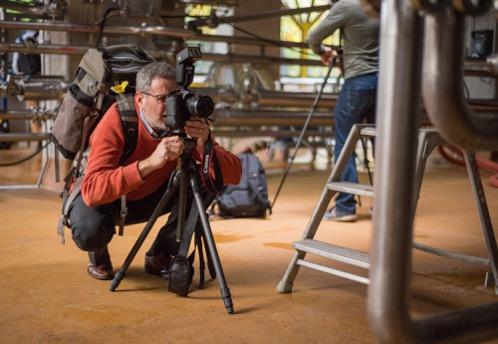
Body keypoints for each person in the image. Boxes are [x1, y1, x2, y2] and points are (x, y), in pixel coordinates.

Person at [67, 62, 242, 280]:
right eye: (162, 100)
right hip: (109, 201)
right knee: (89, 231)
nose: (170, 107)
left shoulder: (182, 119)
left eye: (175, 98)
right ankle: (98, 252)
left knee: (205, 180)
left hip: (151, 195)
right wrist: (150, 162)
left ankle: (161, 253)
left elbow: (234, 174)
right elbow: (93, 191)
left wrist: (203, 145)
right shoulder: (119, 119)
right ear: (140, 99)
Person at [307, 0, 379, 222]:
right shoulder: (390, 6)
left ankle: (345, 206)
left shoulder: (347, 5)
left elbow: (313, 37)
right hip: (388, 83)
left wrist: (322, 51)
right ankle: (385, 205)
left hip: (358, 80)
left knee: (345, 142)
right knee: (383, 144)